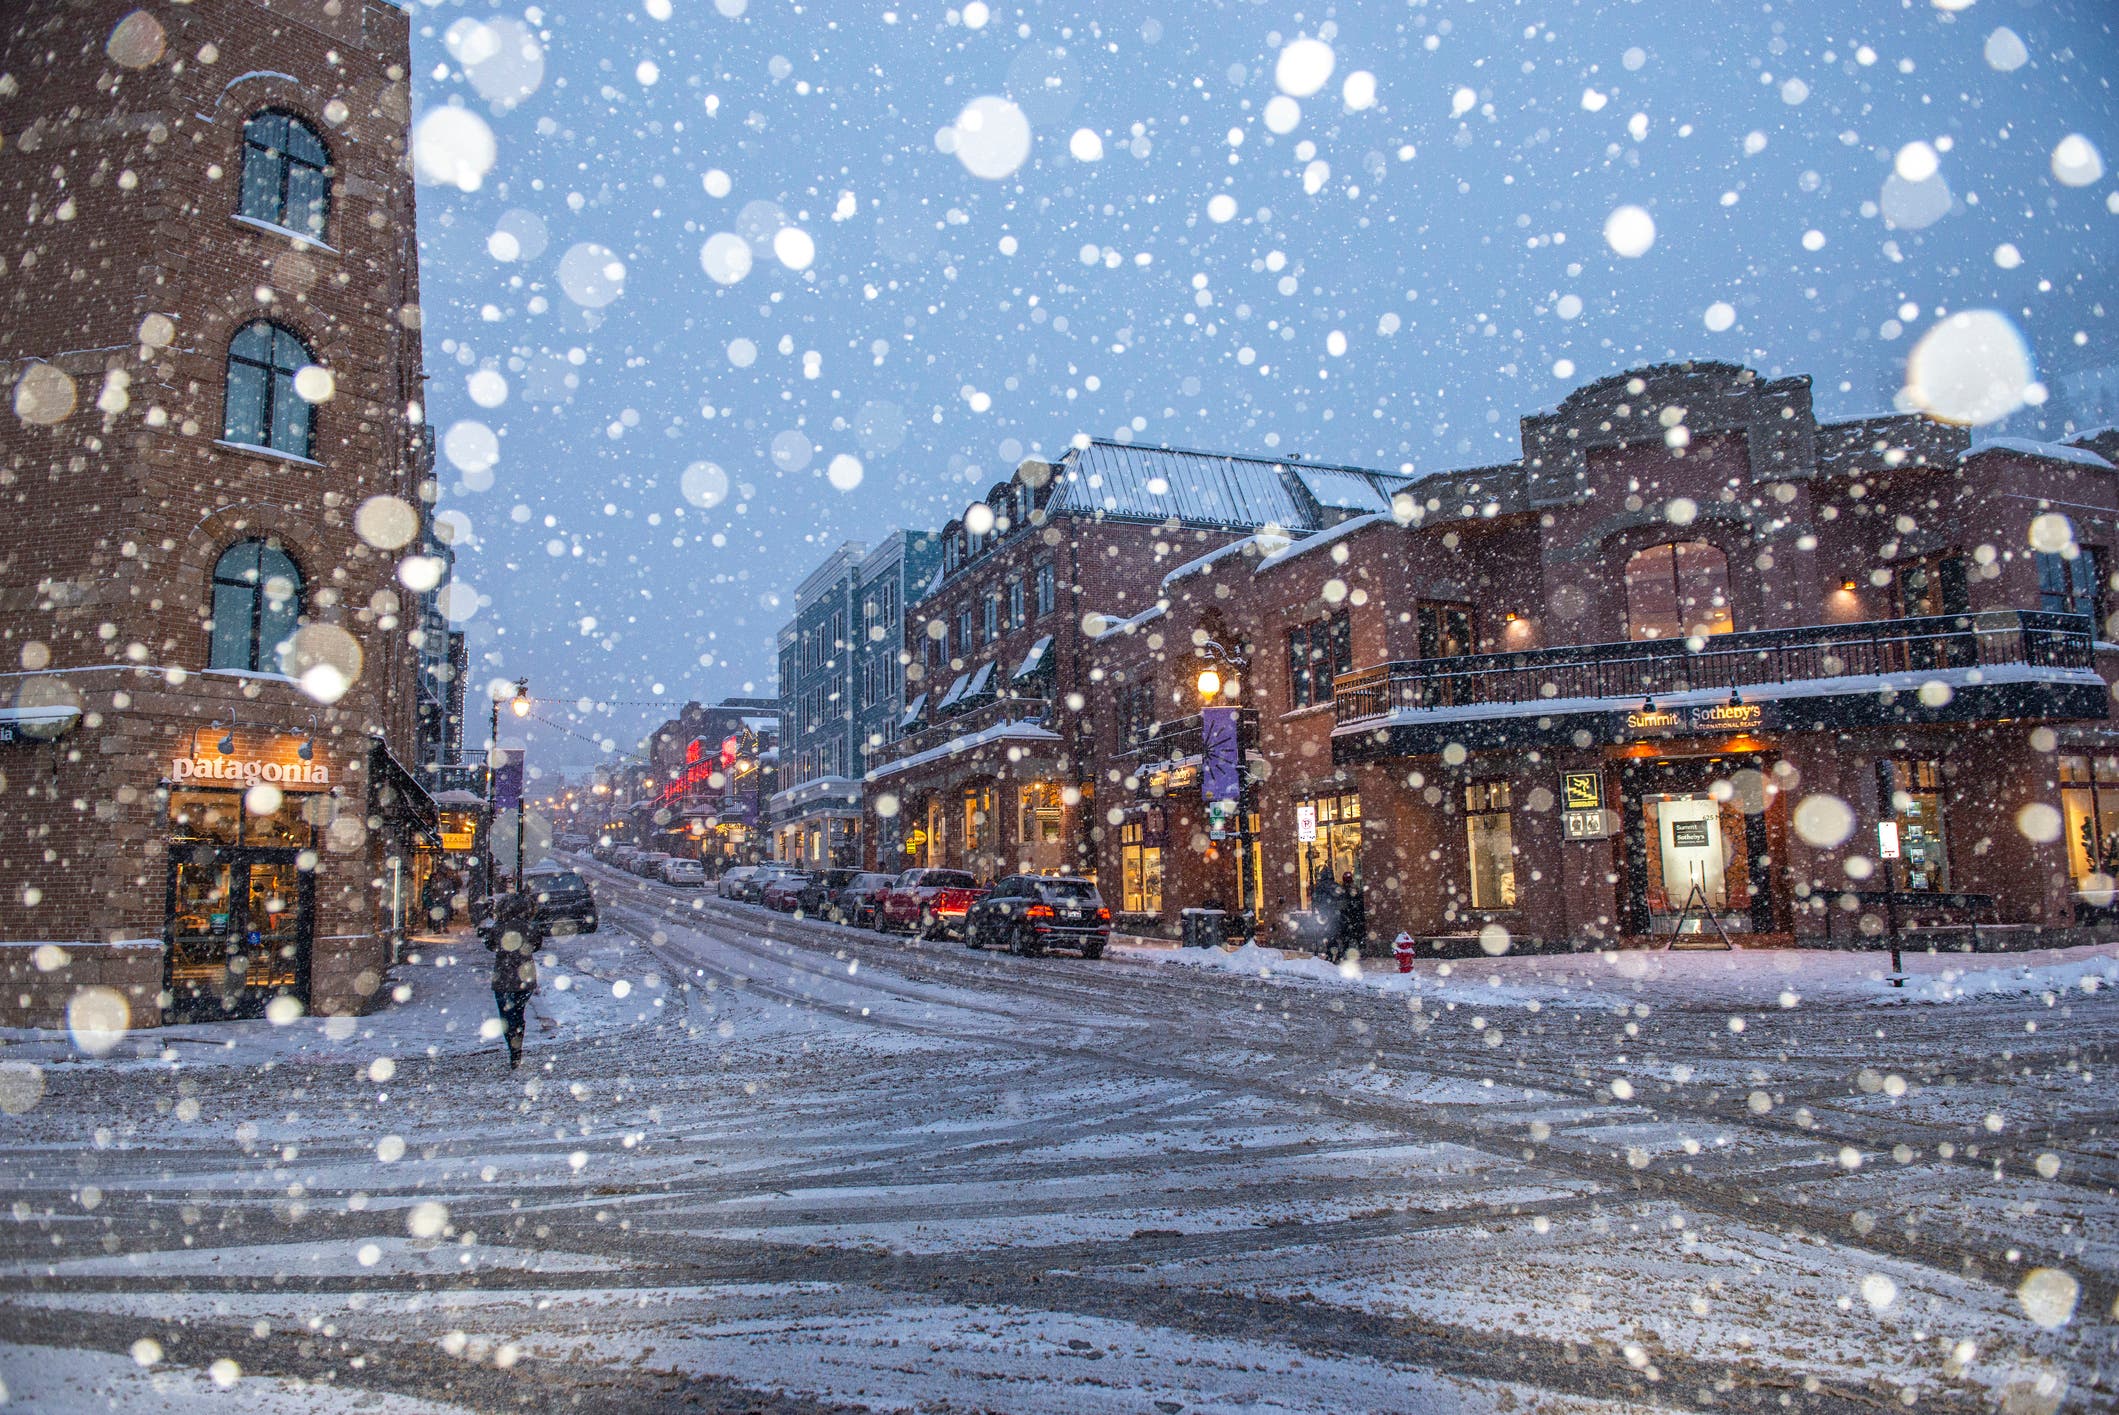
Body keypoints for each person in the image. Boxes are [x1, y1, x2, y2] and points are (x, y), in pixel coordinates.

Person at [483, 890, 542, 1068]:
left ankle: (512, 1047)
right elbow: (537, 945)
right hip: (525, 976)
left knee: (506, 1016)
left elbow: (490, 945)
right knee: (518, 1013)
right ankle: (517, 1048)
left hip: (503, 977)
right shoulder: (530, 927)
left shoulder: (499, 927)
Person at [1336, 870, 1366, 965]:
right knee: (1356, 936)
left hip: (1349, 917)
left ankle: (1346, 952)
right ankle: (1358, 952)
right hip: (1354, 917)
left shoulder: (1343, 890)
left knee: (1348, 936)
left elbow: (1341, 904)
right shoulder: (1354, 889)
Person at [1310, 869, 1342, 960]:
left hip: (1324, 916)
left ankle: (1331, 954)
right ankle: (1337, 953)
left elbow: (1315, 900)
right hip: (1335, 915)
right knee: (1334, 935)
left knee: (1328, 936)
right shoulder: (1336, 886)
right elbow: (1341, 899)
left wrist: (1320, 909)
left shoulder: (1320, 887)